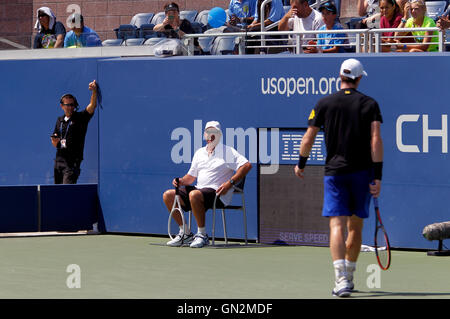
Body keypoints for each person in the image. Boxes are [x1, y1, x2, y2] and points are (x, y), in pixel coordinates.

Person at [294, 58, 383, 297]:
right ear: (359, 78)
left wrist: (301, 164)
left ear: (340, 77)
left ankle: (340, 279)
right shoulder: (370, 104)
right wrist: (377, 176)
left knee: (336, 225)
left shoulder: (324, 103)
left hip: (335, 173)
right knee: (355, 226)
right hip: (362, 173)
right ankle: (349, 277)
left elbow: (308, 138)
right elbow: (376, 141)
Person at [162, 121, 252, 248]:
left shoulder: (228, 152)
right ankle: (185, 233)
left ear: (219, 135)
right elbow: (190, 178)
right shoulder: (199, 152)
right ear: (205, 135)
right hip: (199, 191)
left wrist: (229, 183)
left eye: (214, 132)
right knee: (168, 195)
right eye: (208, 132)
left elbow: (247, 165)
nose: (211, 135)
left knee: (194, 194)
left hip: (218, 193)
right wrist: (181, 181)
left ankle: (202, 235)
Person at [51, 80, 98, 184]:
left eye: (72, 105)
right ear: (62, 106)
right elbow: (55, 141)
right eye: (67, 105)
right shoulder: (60, 120)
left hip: (72, 163)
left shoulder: (80, 118)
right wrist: (54, 140)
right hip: (59, 162)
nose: (70, 107)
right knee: (57, 193)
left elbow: (92, 106)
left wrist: (94, 91)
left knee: (66, 192)